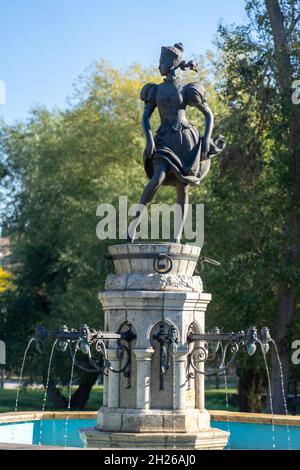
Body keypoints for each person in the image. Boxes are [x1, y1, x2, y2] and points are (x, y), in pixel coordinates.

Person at [128, 42, 225, 243]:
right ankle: (134, 225)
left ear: (171, 64)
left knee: (184, 187)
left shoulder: (188, 89)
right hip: (163, 139)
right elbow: (146, 118)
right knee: (157, 178)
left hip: (185, 141)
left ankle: (177, 236)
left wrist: (206, 141)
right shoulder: (155, 90)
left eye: (161, 62)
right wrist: (148, 140)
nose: (158, 67)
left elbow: (209, 115)